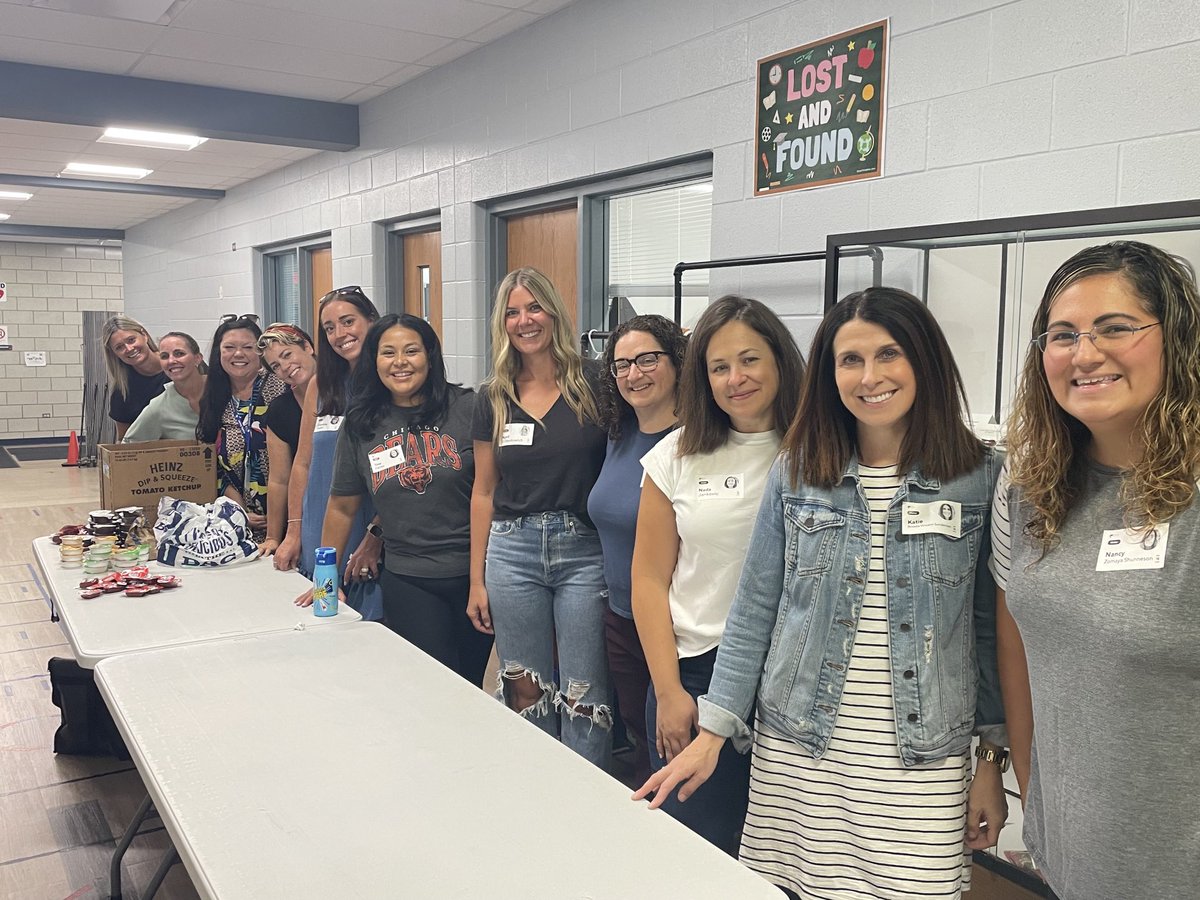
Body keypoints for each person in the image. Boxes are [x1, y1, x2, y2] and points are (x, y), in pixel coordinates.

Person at [636, 287, 1009, 897]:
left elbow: (987, 630)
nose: (870, 377)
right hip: (799, 747)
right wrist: (713, 730)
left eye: (889, 354)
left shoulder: (979, 475)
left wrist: (990, 762)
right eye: (849, 360)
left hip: (921, 759)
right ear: (829, 373)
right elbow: (758, 606)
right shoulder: (799, 469)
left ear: (925, 360)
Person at [992, 241, 1200, 900]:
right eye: (1062, 335)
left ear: (1179, 341)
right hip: (1071, 861)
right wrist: (1032, 788)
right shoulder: (1030, 488)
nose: (1084, 354)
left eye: (1114, 328)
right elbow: (1021, 646)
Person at [630, 295, 805, 855]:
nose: (736, 379)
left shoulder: (819, 449)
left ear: (780, 360)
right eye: (719, 367)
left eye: (750, 360)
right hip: (696, 674)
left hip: (793, 681)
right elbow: (649, 581)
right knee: (696, 848)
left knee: (782, 852)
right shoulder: (676, 456)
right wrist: (668, 690)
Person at [468, 267, 611, 767]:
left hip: (584, 552)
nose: (524, 321)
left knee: (584, 692)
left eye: (534, 308)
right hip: (512, 551)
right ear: (501, 323)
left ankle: (589, 803)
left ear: (554, 312)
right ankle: (534, 786)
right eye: (512, 312)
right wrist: (476, 581)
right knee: (524, 684)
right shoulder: (493, 395)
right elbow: (483, 491)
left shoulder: (596, 380)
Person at [326, 314, 492, 684]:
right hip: (409, 578)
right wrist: (325, 579)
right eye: (388, 353)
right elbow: (341, 504)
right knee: (432, 684)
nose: (400, 362)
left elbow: (490, 490)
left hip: (474, 574)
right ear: (375, 361)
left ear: (430, 356)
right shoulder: (361, 423)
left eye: (411, 350)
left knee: (471, 685)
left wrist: (482, 578)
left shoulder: (469, 407)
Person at [586, 314, 687, 784]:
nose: (634, 374)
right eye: (622, 364)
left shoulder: (696, 442)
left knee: (675, 747)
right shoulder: (618, 435)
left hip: (679, 630)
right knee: (643, 739)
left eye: (648, 359)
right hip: (621, 619)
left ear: (677, 361)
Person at [284, 287, 382, 622]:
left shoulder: (389, 384)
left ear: (371, 320)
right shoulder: (321, 384)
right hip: (320, 528)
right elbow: (303, 462)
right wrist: (294, 532)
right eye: (329, 328)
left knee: (368, 629)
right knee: (324, 618)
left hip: (367, 533)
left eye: (348, 321)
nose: (340, 334)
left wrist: (376, 537)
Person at [196, 315, 287, 535]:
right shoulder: (214, 397)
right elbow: (213, 466)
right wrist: (240, 511)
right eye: (229, 347)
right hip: (238, 520)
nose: (238, 354)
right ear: (219, 353)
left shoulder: (281, 387)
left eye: (248, 347)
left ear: (261, 351)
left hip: (289, 516)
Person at [257, 323, 318, 558]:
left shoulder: (346, 393)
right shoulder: (280, 410)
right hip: (306, 512)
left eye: (287, 355)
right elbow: (279, 479)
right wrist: (273, 536)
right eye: (275, 366)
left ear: (307, 347)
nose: (285, 367)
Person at [123, 332, 207, 441]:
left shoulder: (224, 388)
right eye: (164, 356)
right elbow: (128, 445)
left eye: (179, 353)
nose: (171, 361)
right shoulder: (159, 407)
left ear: (198, 358)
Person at [102, 315, 167, 439]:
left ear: (144, 335)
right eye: (119, 347)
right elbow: (124, 440)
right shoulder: (122, 391)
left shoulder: (178, 366)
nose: (129, 349)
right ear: (114, 353)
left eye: (131, 340)